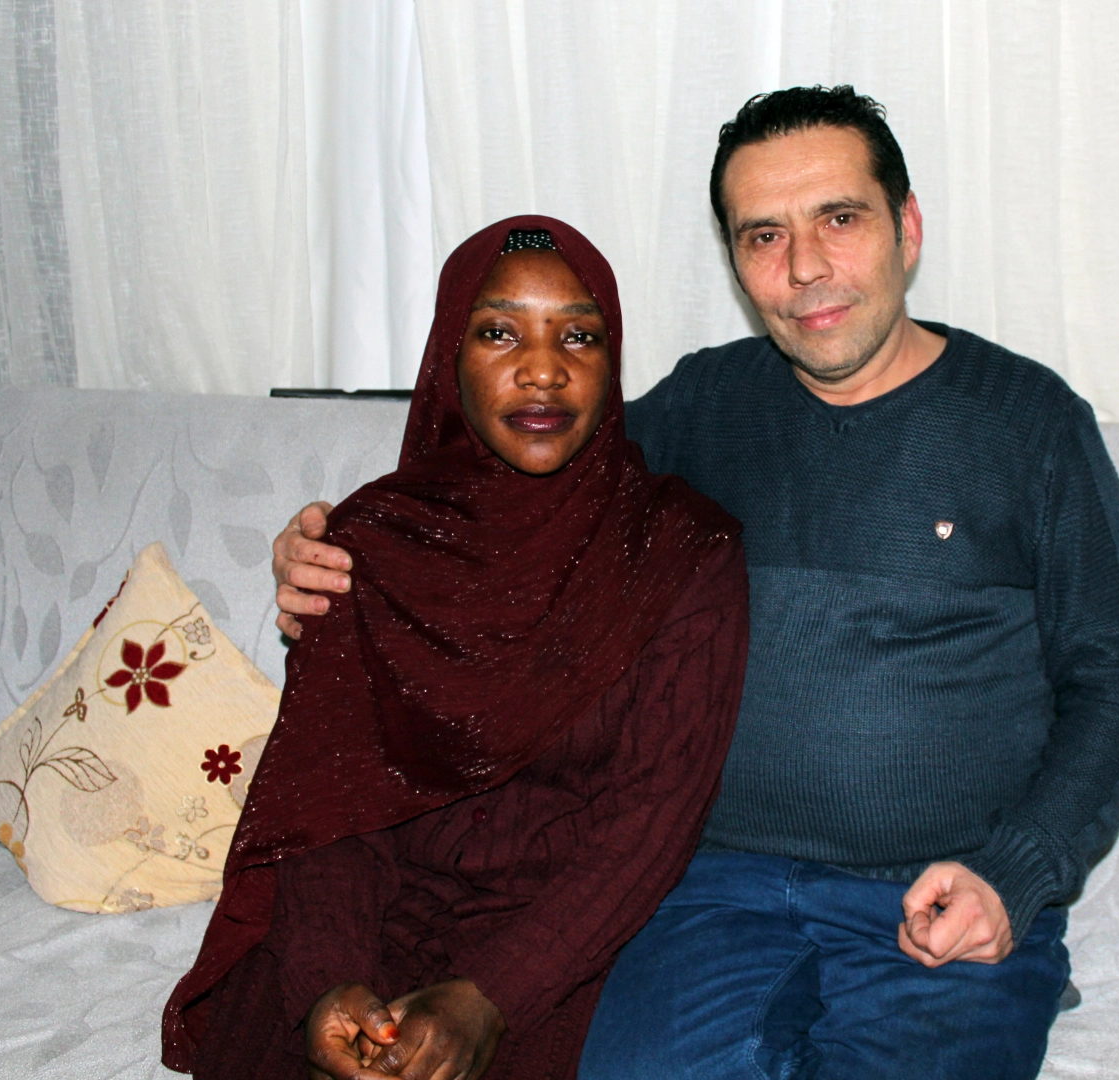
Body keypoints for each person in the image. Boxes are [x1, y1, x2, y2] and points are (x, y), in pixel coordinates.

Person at [272, 87, 1119, 1079]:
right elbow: (517, 506)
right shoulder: (701, 407)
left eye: (839, 218)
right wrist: (348, 556)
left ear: (906, 229)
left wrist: (1016, 873)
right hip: (703, 900)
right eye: (763, 236)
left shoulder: (1027, 423)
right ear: (736, 262)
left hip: (937, 903)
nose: (805, 267)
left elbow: (1118, 680)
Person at [163, 217, 749, 1080]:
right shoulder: (367, 544)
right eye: (499, 332)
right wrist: (330, 984)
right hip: (367, 921)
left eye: (578, 336)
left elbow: (651, 823)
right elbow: (325, 803)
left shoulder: (679, 552)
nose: (543, 369)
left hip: (561, 948)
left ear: (611, 360)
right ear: (449, 357)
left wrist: (490, 997)